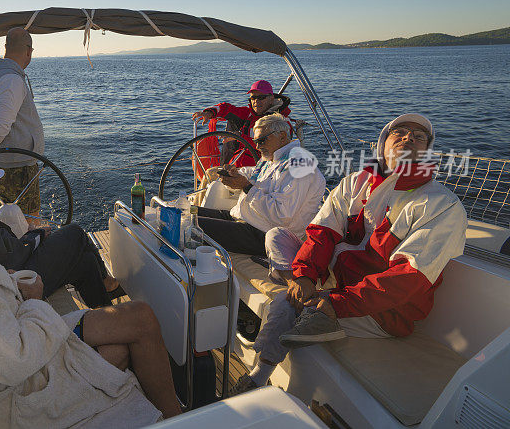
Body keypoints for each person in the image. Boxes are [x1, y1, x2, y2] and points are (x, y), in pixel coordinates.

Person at [0, 151, 181, 427]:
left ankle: (175, 417)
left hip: (18, 331)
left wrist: (4, 281)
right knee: (125, 341)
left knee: (139, 316)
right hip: (27, 383)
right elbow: (16, 361)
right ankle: (180, 420)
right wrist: (35, 301)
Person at [234, 113, 467, 393]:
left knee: (286, 304)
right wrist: (305, 275)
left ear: (427, 151)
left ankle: (259, 376)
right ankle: (296, 303)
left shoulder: (441, 204)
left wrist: (338, 303)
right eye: (400, 133)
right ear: (383, 144)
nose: (409, 138)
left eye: (419, 138)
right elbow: (322, 233)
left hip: (382, 312)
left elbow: (408, 278)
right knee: (279, 242)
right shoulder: (356, 183)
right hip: (338, 283)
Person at [0, 129, 124, 308]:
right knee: (75, 233)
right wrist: (34, 236)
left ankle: (105, 312)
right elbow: (7, 257)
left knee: (85, 262)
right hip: (16, 279)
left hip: (10, 265)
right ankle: (107, 286)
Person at [196, 113, 325, 257]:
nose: (257, 147)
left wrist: (246, 186)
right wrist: (235, 174)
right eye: (255, 141)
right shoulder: (270, 159)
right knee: (182, 212)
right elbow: (254, 174)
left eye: (262, 140)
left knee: (189, 225)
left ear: (282, 136)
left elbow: (282, 216)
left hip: (265, 235)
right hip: (243, 218)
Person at [0, 27, 44, 222]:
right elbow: (2, 124)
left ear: (6, 47)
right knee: (29, 220)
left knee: (11, 218)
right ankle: (29, 250)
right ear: (29, 51)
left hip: (5, 161)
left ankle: (16, 247)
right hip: (18, 165)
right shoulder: (12, 79)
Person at [192, 80, 291, 166]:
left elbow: (275, 149)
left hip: (261, 169)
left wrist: (240, 137)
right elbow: (226, 108)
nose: (256, 101)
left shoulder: (281, 122)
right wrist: (209, 113)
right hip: (236, 164)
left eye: (261, 97)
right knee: (209, 177)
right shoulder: (248, 114)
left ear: (271, 98)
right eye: (253, 98)